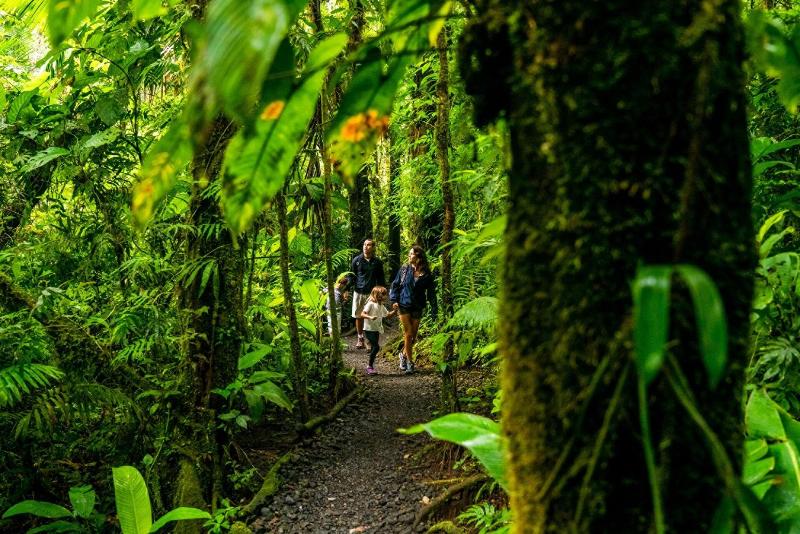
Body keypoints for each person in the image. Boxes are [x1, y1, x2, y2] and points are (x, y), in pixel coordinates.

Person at [390, 245, 437, 374]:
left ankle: (403, 355)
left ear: (419, 256)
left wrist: (434, 309)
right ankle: (410, 363)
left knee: (413, 336)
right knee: (408, 334)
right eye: (409, 253)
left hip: (418, 306)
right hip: (404, 304)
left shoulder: (427, 274)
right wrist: (394, 300)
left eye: (411, 254)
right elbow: (395, 285)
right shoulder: (405, 269)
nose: (409, 256)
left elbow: (431, 293)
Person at [351, 238, 386, 349]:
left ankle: (369, 340)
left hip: (372, 294)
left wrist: (382, 293)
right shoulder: (356, 260)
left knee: (371, 316)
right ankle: (360, 338)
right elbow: (352, 276)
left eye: (369, 245)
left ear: (373, 248)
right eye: (365, 245)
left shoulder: (377, 262)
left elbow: (381, 278)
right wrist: (345, 290)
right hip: (359, 292)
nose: (366, 247)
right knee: (359, 316)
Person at [359, 286, 396, 375]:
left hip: (376, 329)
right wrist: (370, 317)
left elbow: (387, 315)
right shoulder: (371, 304)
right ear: (376, 295)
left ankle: (370, 366)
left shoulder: (381, 305)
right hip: (369, 329)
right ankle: (369, 367)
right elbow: (362, 314)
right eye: (382, 294)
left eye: (384, 294)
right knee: (376, 347)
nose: (384, 296)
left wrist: (395, 310)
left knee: (374, 347)